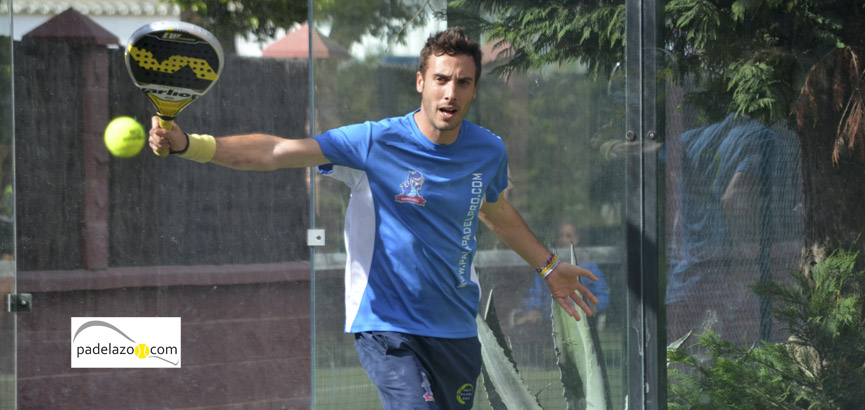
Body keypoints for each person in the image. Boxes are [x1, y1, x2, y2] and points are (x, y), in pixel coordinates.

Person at [149, 27, 598, 410]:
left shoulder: (488, 151)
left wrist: (549, 266)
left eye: (463, 82)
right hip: (387, 326)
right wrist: (192, 144)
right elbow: (274, 151)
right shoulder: (372, 143)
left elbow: (494, 210)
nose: (451, 92)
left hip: (457, 327)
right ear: (420, 81)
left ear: (474, 90)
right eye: (441, 79)